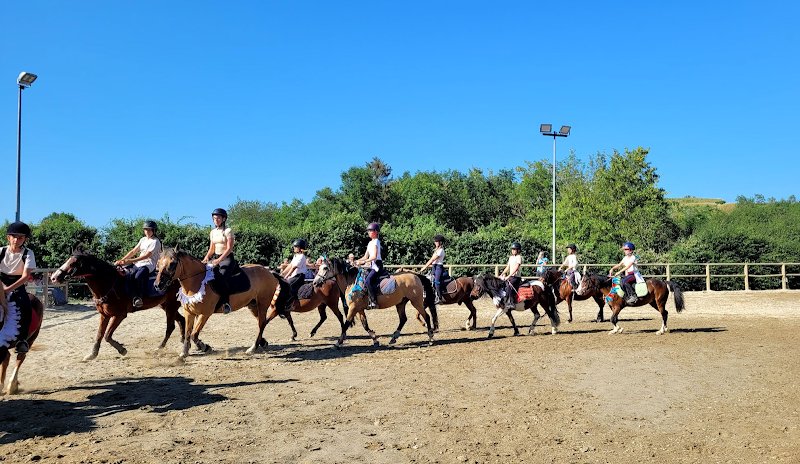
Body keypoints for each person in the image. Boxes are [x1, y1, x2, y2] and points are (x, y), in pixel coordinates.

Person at [0, 222, 36, 353]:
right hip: (0, 282)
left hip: (17, 284)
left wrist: (8, 290)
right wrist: (1, 287)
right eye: (14, 236)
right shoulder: (1, 251)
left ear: (25, 239)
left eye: (20, 237)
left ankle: (22, 340)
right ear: (8, 237)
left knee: (25, 305)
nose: (16, 240)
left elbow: (26, 276)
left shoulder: (28, 253)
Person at [114, 220, 162, 308]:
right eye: (146, 230)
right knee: (126, 273)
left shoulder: (155, 242)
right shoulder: (143, 239)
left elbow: (146, 256)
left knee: (138, 276)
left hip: (149, 264)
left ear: (154, 231)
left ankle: (139, 297)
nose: (147, 232)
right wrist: (122, 260)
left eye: (149, 230)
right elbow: (133, 251)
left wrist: (130, 261)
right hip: (139, 263)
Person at [201, 208, 236, 314]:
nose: (216, 220)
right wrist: (206, 258)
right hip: (215, 258)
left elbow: (229, 248)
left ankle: (226, 303)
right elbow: (211, 249)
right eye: (214, 218)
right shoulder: (212, 232)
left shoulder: (228, 231)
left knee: (221, 278)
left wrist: (220, 259)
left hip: (227, 259)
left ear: (223, 219)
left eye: (218, 218)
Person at [354, 222, 386, 309]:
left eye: (370, 230)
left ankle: (374, 302)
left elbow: (374, 256)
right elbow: (365, 256)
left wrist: (363, 262)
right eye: (368, 231)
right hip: (372, 265)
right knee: (362, 278)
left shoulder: (376, 241)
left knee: (368, 280)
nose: (368, 232)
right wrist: (356, 261)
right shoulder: (370, 243)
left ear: (376, 231)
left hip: (377, 266)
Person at [281, 239, 310, 309]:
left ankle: (290, 304)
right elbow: (290, 265)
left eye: (295, 246)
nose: (294, 248)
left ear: (300, 248)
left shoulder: (302, 257)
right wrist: (282, 273)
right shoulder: (296, 256)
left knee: (288, 285)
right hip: (294, 276)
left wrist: (287, 276)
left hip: (299, 276)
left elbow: (294, 267)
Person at [420, 234, 446, 303]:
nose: (435, 242)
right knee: (430, 280)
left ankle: (439, 298)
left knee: (436, 282)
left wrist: (424, 267)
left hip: (438, 267)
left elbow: (432, 260)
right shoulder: (436, 250)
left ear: (440, 242)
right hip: (434, 267)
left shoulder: (441, 251)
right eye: (435, 241)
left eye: (436, 241)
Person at [498, 242, 523, 310]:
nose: (513, 250)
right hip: (510, 276)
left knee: (509, 286)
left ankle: (511, 303)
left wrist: (508, 276)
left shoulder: (519, 257)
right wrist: (502, 274)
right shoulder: (511, 258)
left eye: (514, 249)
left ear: (518, 250)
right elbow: (508, 267)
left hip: (516, 277)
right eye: (512, 249)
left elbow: (516, 268)